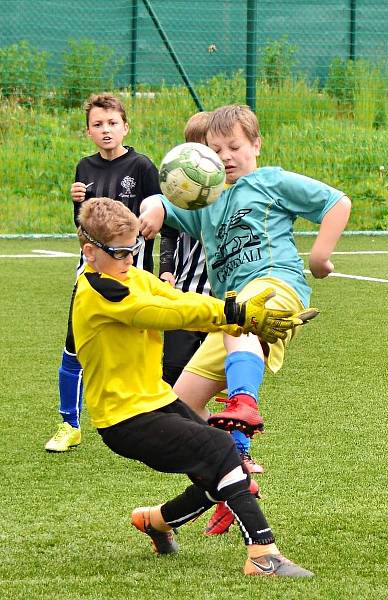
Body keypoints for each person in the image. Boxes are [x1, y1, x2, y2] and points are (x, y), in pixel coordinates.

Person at [71, 196, 315, 577]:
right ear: (90, 251)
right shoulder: (101, 292)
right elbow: (168, 314)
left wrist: (240, 324)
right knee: (219, 448)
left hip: (156, 401)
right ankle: (263, 556)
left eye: (134, 249)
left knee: (224, 464)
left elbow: (179, 299)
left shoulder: (130, 276)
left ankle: (155, 520)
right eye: (120, 253)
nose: (130, 260)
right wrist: (236, 313)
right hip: (124, 420)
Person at [139, 103, 351, 533]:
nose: (227, 157)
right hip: (233, 316)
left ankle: (244, 406)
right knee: (181, 407)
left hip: (275, 289)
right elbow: (162, 202)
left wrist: (320, 255)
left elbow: (336, 201)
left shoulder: (269, 181)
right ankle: (231, 469)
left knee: (240, 317)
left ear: (255, 143)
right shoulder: (207, 201)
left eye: (234, 146)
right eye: (216, 151)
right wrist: (153, 210)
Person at [45, 93, 164, 453]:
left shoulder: (142, 166)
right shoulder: (85, 168)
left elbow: (159, 216)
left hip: (134, 274)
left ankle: (156, 421)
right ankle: (69, 424)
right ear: (88, 132)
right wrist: (76, 204)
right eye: (98, 124)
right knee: (74, 346)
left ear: (125, 127)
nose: (106, 129)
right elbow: (82, 228)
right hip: (91, 276)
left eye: (112, 123)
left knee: (143, 349)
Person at [158, 112, 264, 477]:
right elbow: (168, 225)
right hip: (187, 294)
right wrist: (167, 267)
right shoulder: (189, 192)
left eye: (225, 150)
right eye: (211, 151)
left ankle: (238, 451)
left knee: (231, 373)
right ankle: (217, 450)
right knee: (173, 375)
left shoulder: (241, 193)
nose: (220, 158)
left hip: (224, 300)